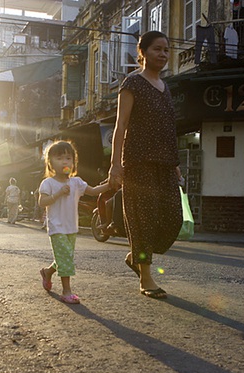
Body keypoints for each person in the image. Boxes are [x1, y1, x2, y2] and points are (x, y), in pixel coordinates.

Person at [108, 31, 183, 299]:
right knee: (143, 221)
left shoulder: (166, 87)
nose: (162, 54)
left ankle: (135, 256)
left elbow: (168, 128)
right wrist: (115, 164)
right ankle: (146, 278)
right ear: (143, 52)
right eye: (157, 49)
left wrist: (174, 162)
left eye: (166, 50)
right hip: (138, 162)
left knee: (172, 218)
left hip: (164, 164)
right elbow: (121, 126)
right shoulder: (132, 83)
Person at [38, 140, 110, 304]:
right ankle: (66, 291)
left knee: (64, 257)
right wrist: (58, 193)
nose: (65, 162)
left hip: (71, 227)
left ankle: (48, 272)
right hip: (57, 227)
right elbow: (42, 202)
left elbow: (92, 191)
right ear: (50, 163)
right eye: (59, 158)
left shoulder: (76, 182)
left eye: (68, 158)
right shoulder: (48, 183)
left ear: (74, 162)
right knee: (66, 258)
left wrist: (109, 185)